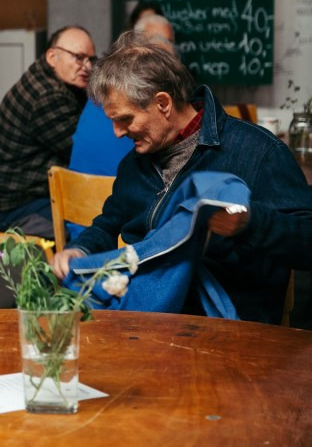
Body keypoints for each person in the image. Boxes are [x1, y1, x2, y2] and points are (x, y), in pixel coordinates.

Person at [51, 33, 312, 323]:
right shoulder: (133, 166)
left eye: (125, 119)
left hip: (229, 325)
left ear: (163, 103)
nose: (118, 132)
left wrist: (249, 223)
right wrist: (80, 249)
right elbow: (107, 225)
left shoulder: (258, 152)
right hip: (149, 319)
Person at [0, 25, 97, 239]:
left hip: (21, 197)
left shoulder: (51, 80)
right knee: (90, 227)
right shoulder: (47, 96)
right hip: (13, 207)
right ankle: (57, 273)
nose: (87, 66)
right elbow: (82, 155)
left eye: (91, 59)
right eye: (79, 58)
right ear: (52, 56)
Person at [69, 17, 176, 177]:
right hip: (118, 194)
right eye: (158, 44)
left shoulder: (100, 89)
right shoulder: (141, 104)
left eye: (169, 42)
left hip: (72, 196)